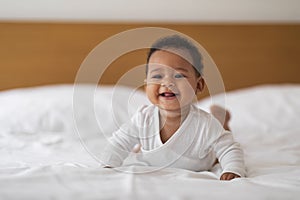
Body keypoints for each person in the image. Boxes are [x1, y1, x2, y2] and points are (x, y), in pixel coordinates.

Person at [100, 35, 245, 180]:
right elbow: (118, 143)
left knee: (219, 144)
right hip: (153, 156)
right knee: (140, 149)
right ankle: (144, 148)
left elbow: (230, 148)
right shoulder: (143, 118)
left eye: (179, 75)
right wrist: (107, 166)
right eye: (157, 76)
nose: (167, 82)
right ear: (146, 86)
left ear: (198, 85)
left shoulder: (205, 124)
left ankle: (222, 119)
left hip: (202, 160)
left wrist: (233, 169)